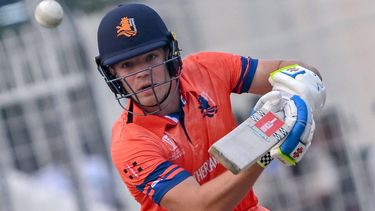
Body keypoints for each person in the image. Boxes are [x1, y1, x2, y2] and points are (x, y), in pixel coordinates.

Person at [95, 3, 325, 211]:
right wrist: (264, 147)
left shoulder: (205, 69)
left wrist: (300, 89)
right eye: (127, 65)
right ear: (112, 74)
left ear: (170, 53)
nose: (142, 74)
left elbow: (293, 71)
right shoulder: (130, 143)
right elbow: (201, 207)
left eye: (151, 57)